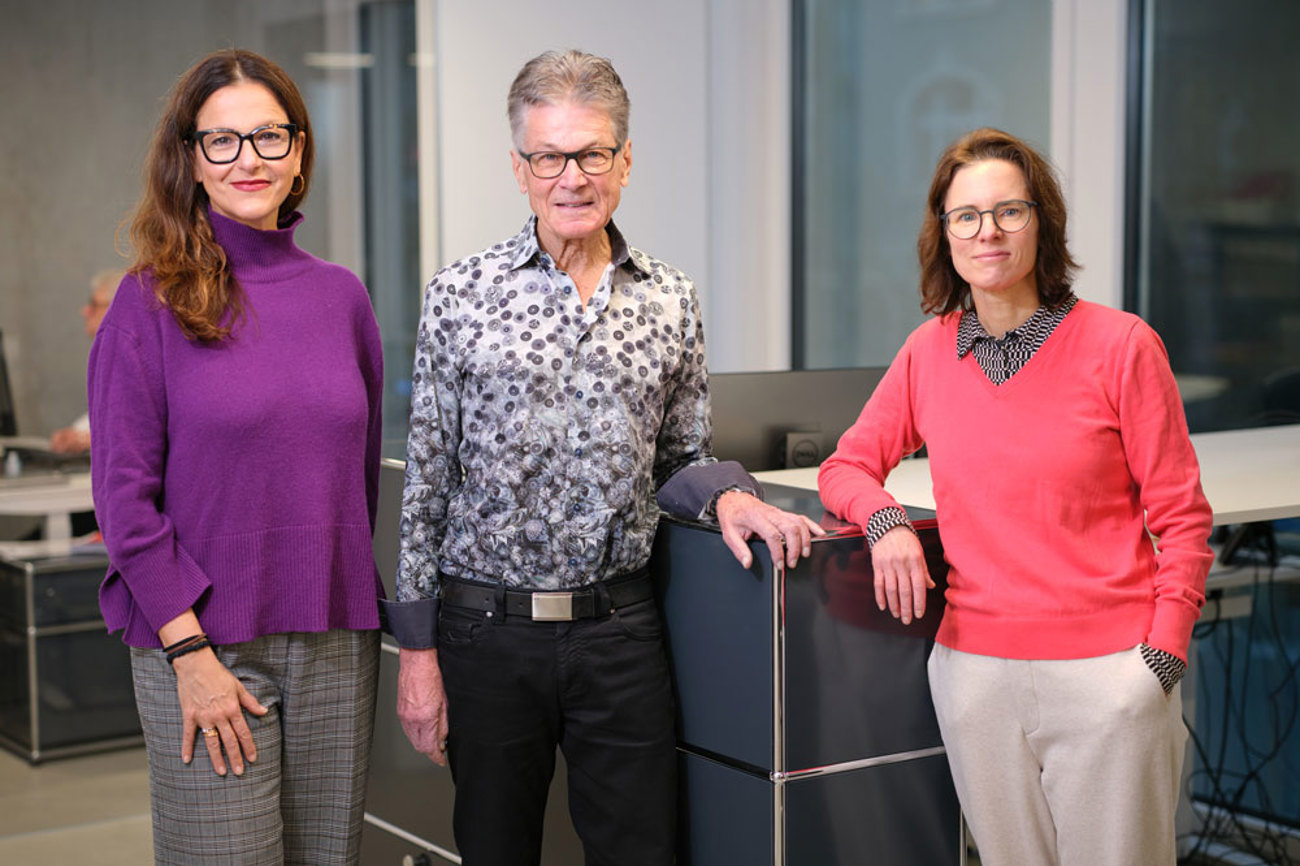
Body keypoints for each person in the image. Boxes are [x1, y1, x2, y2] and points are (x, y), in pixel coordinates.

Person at [386, 49, 824, 866]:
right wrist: (417, 655)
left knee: (644, 851)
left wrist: (728, 494)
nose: (572, 176)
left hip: (620, 632)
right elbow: (428, 484)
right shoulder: (460, 294)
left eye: (591, 153)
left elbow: (681, 455)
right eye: (549, 156)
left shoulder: (670, 298)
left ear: (626, 160)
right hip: (485, 633)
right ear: (519, 168)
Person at [818, 127, 1214, 866]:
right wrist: (886, 523)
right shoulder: (928, 351)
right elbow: (845, 466)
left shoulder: (1121, 346)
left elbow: (1184, 519)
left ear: (1043, 223)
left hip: (1111, 678)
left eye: (1009, 210)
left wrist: (1159, 659)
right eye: (965, 215)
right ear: (944, 233)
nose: (987, 231)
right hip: (976, 678)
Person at [88, 49, 384, 866]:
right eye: (222, 141)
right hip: (205, 642)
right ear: (190, 159)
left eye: (267, 136)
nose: (247, 158)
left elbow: (355, 480)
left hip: (333, 638)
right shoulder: (148, 301)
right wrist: (188, 654)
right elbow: (123, 502)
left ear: (298, 153)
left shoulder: (341, 297)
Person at [49, 268, 125, 454]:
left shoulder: (136, 358)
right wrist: (77, 433)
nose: (85, 310)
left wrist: (85, 438)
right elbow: (107, 415)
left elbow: (138, 425)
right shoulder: (109, 356)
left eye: (94, 304)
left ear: (118, 307)